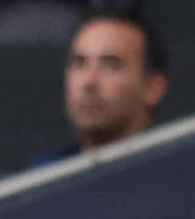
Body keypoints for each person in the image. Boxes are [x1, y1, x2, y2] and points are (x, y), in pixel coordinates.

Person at [39, 10, 169, 164]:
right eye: (80, 64)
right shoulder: (45, 178)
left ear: (153, 88)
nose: (89, 82)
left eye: (110, 66)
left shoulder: (181, 175)